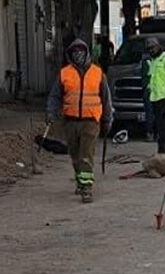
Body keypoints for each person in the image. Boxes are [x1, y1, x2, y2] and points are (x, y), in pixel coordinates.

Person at [46, 39, 114, 204]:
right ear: (70, 55)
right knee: (75, 155)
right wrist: (50, 112)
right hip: (70, 122)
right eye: (75, 53)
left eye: (81, 53)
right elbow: (55, 96)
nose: (78, 56)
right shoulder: (64, 73)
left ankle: (86, 189)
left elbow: (106, 99)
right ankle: (80, 180)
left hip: (91, 122)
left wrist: (107, 119)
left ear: (87, 54)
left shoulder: (98, 73)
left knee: (86, 155)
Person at [141, 49, 154, 141]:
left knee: (149, 113)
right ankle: (154, 133)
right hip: (157, 92)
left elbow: (144, 77)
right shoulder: (161, 61)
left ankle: (150, 133)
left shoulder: (145, 62)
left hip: (149, 91)